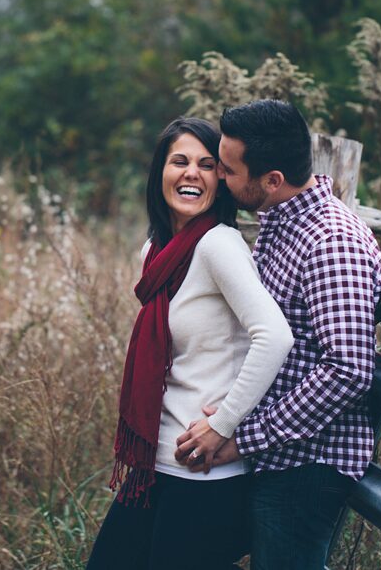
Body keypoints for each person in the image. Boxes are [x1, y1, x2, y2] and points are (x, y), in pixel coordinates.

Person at [175, 99, 381, 570]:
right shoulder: (280, 220)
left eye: (227, 170)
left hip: (307, 465)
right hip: (275, 450)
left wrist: (240, 437)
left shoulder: (332, 242)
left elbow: (348, 371)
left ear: (272, 180)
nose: (220, 179)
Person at [86, 117, 294, 570]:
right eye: (179, 161)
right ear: (160, 171)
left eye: (207, 165)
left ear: (220, 182)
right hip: (155, 462)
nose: (191, 174)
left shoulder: (219, 245)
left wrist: (223, 423)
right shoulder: (155, 252)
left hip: (203, 472)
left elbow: (275, 336)